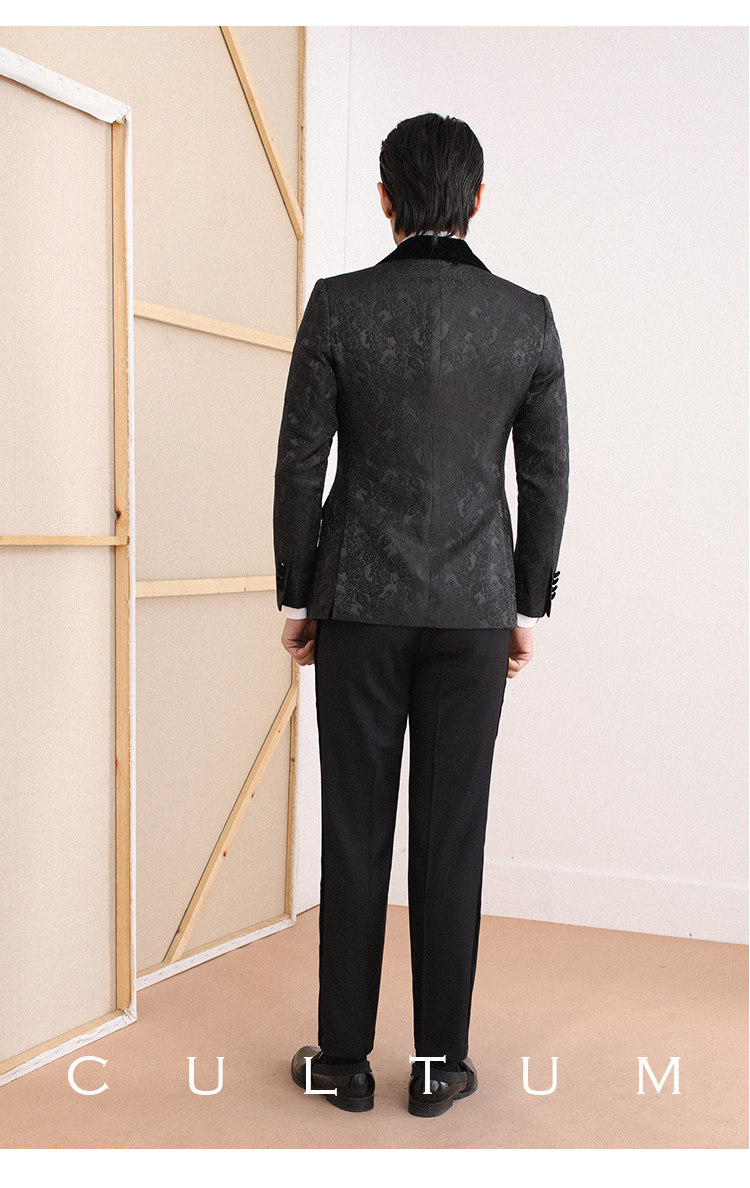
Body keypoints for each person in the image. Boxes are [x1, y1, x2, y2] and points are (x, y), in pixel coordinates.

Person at [273, 112, 569, 1118]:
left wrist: (298, 593)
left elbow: (301, 460)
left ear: (385, 199)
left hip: (358, 603)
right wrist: (523, 603)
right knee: (452, 838)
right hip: (474, 611)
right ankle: (440, 1066)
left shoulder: (338, 306)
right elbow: (546, 474)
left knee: (354, 828)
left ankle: (343, 1062)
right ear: (476, 199)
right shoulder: (525, 318)